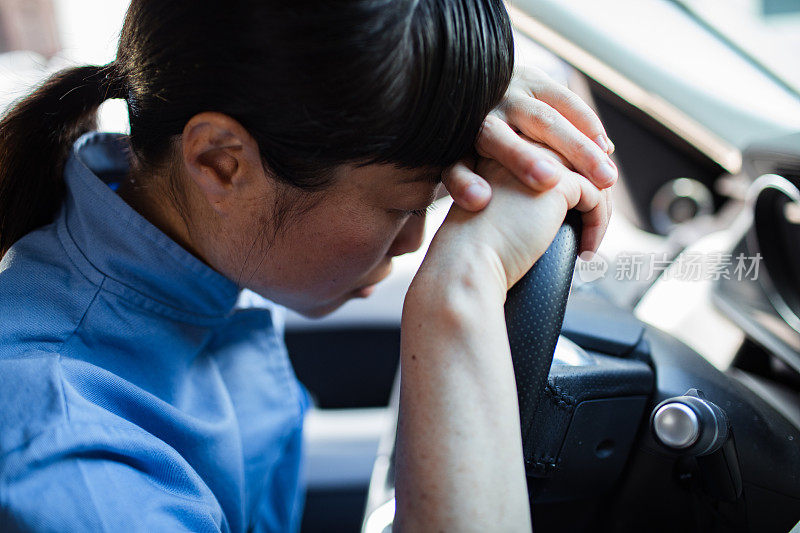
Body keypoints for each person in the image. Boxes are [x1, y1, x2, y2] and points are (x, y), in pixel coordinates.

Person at [0, 1, 615, 531]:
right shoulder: (75, 465)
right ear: (219, 161)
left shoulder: (196, 249)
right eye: (405, 205)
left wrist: (444, 94)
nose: (413, 243)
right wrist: (461, 290)